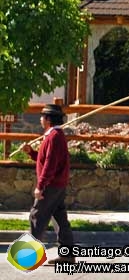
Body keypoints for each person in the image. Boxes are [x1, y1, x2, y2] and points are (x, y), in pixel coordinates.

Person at [19, 104, 75, 264]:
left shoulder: (54, 136)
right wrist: (32, 153)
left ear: (48, 119)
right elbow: (45, 160)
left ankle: (28, 257)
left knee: (36, 215)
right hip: (57, 184)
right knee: (59, 219)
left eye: (42, 117)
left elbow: (51, 164)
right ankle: (67, 254)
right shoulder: (53, 135)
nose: (40, 119)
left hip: (51, 185)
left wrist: (41, 186)